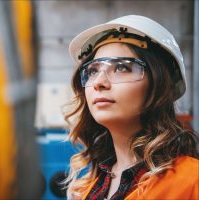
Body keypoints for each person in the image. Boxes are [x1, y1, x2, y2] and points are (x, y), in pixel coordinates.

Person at [64, 15, 199, 200]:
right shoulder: (88, 186)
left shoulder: (192, 181)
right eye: (93, 70)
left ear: (158, 85)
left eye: (121, 68)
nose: (99, 83)